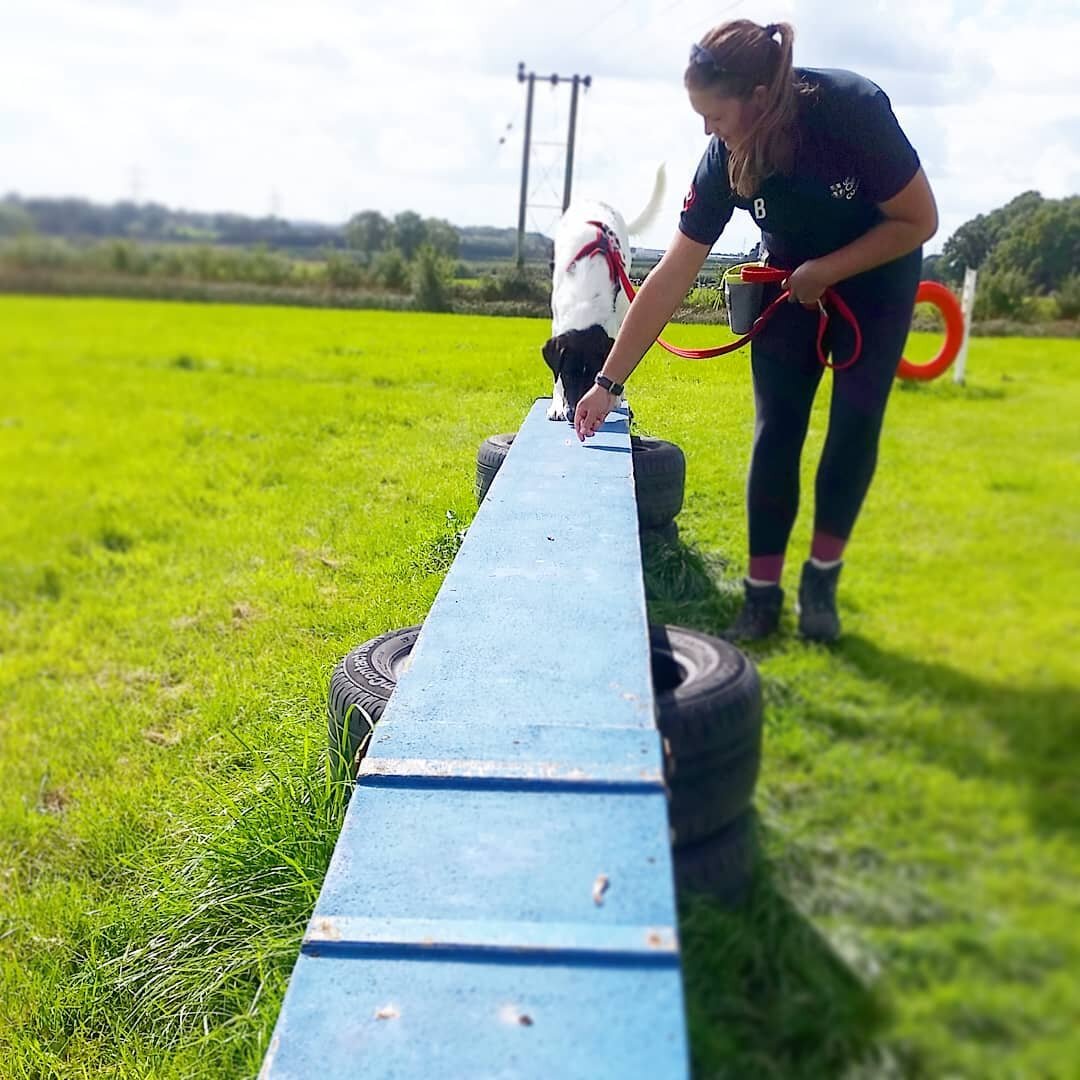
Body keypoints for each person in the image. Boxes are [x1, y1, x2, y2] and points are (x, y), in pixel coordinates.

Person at [573, 19, 938, 643]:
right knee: (777, 430)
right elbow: (672, 274)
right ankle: (762, 597)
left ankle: (821, 582)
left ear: (761, 99)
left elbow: (919, 220)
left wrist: (829, 270)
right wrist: (607, 383)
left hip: (877, 276)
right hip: (787, 281)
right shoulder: (725, 157)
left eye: (715, 115)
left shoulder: (854, 110)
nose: (708, 131)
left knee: (853, 425)